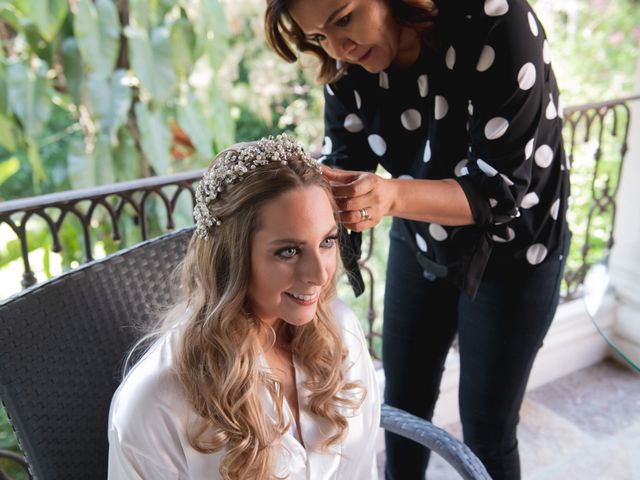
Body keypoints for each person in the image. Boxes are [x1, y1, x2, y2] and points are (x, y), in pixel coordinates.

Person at [264, 1, 571, 479]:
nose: (340, 48)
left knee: (487, 433)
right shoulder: (349, 60)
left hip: (515, 253)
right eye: (320, 37)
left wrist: (388, 197)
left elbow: (500, 188)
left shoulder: (497, 20)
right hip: (422, 238)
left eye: (344, 18)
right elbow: (346, 159)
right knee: (401, 414)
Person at [107, 135, 380, 480]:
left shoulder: (341, 329)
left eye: (326, 241)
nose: (319, 275)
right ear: (231, 259)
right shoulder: (156, 402)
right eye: (289, 251)